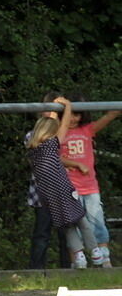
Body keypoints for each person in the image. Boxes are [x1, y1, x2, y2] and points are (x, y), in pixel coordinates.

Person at [26, 97, 98, 269]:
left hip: (48, 197)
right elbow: (64, 124)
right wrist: (67, 106)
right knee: (80, 221)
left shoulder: (32, 149)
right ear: (53, 131)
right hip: (65, 191)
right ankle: (94, 250)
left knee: (66, 226)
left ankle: (79, 256)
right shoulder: (53, 145)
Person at [59, 92, 119, 267]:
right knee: (74, 224)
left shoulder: (87, 130)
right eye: (70, 114)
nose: (73, 119)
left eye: (77, 115)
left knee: (97, 220)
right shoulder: (59, 134)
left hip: (90, 187)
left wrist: (115, 111)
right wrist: (75, 164)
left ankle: (105, 257)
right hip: (70, 187)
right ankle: (76, 260)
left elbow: (109, 116)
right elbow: (52, 156)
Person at [26, 92, 71, 269]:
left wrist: (66, 108)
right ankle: (36, 270)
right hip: (43, 195)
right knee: (42, 234)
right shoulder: (33, 137)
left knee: (65, 235)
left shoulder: (59, 138)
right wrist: (61, 111)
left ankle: (67, 269)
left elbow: (64, 126)